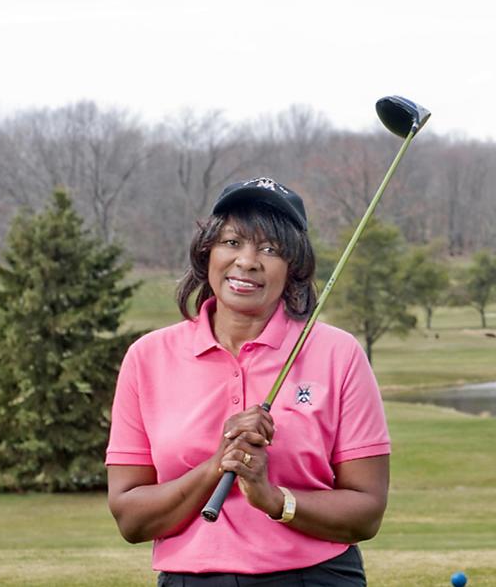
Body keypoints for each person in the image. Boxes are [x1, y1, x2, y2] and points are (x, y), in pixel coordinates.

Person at [106, 177, 390, 586]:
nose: (248, 261)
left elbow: (367, 513)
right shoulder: (148, 357)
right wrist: (216, 465)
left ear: (294, 267)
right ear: (207, 253)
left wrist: (275, 500)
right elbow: (131, 520)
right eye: (232, 242)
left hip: (315, 578)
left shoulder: (337, 353)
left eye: (270, 249)